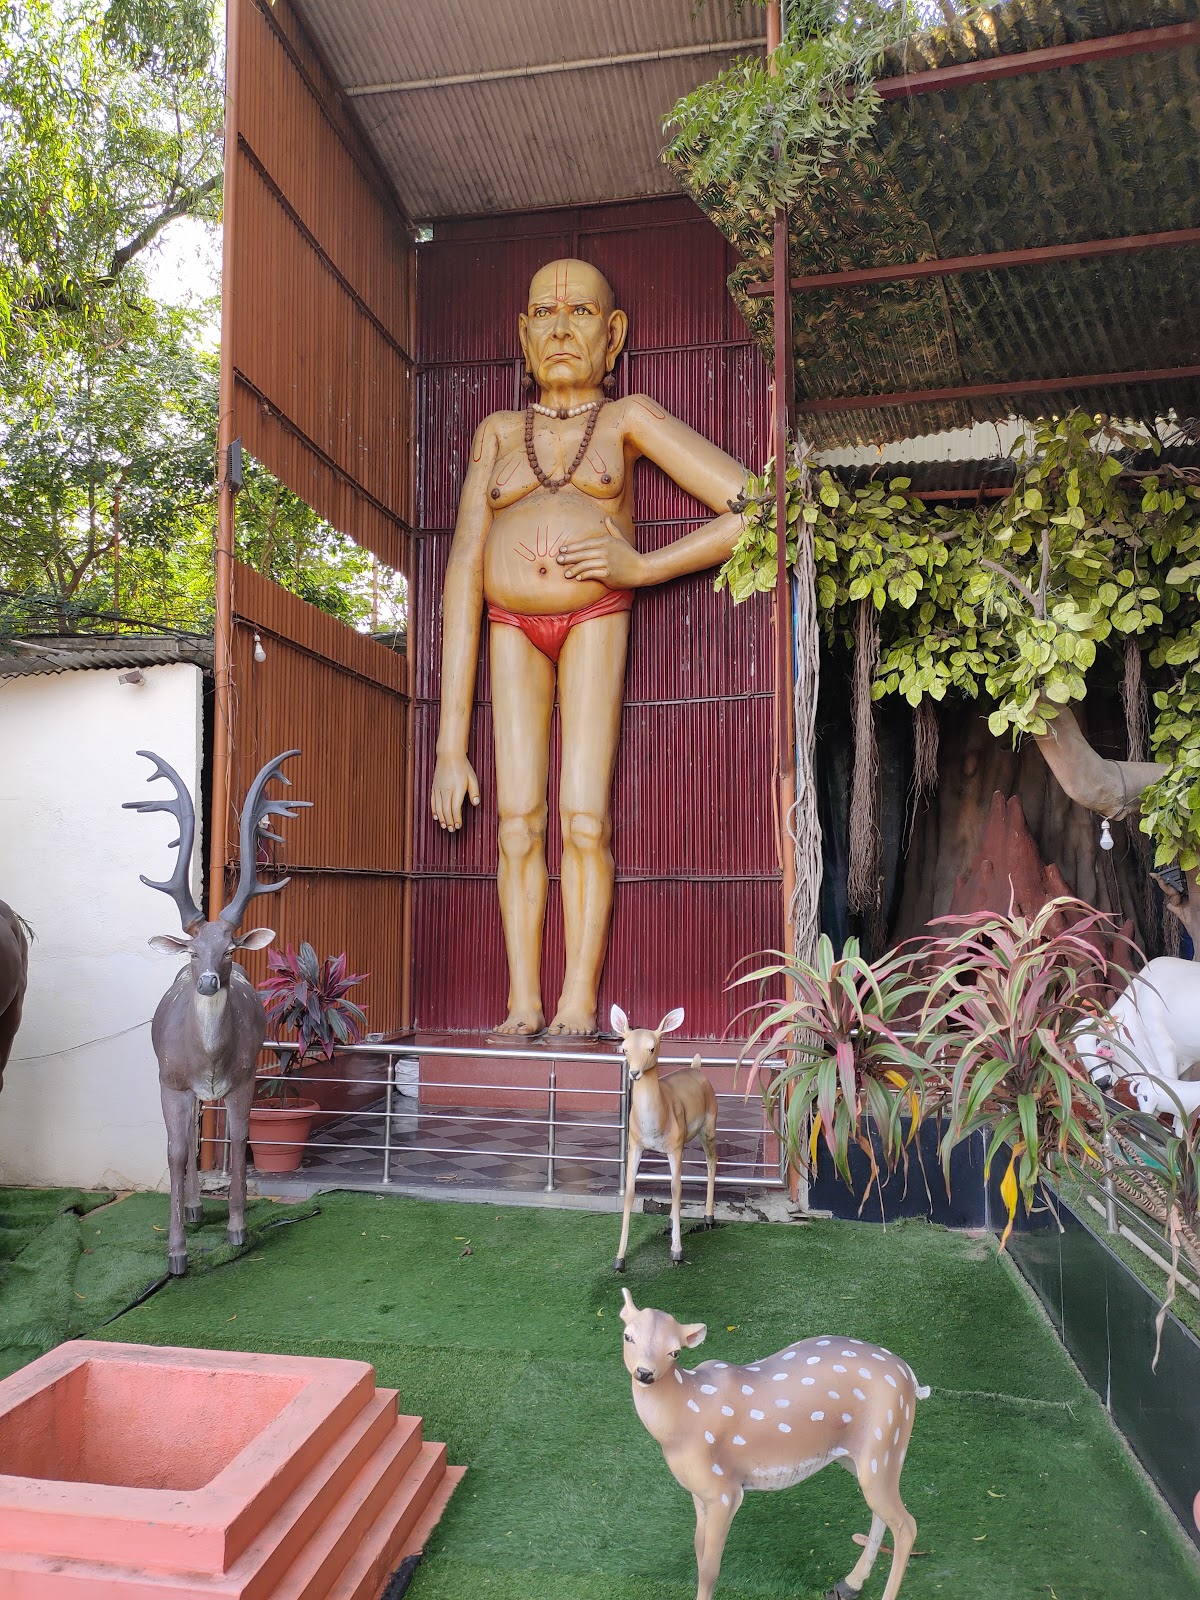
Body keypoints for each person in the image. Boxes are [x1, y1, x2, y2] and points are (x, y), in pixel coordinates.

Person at [431, 258, 746, 1038]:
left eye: (581, 312)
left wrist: (644, 567)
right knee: (516, 820)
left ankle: (576, 999)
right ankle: (521, 1002)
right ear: (523, 334)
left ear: (615, 335)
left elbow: (758, 507)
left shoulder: (629, 417)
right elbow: (463, 574)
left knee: (584, 820)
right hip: (511, 625)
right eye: (544, 312)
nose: (562, 327)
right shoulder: (498, 434)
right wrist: (448, 746)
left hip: (597, 613)